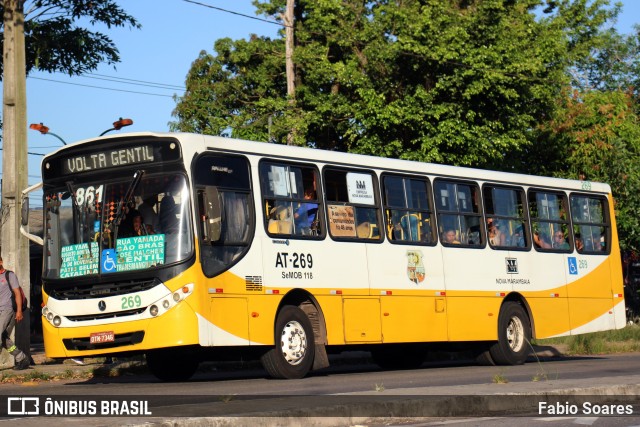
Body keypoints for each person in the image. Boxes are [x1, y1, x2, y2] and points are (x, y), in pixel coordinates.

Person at [0, 256, 30, 370]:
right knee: (4, 338)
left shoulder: (9, 275)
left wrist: (18, 311)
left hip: (8, 310)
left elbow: (17, 293)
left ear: (1, 262)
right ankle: (21, 358)